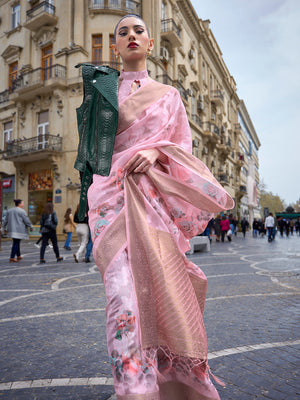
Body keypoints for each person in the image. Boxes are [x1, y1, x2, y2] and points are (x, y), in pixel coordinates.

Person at [78, 14, 234, 400]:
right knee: (122, 296)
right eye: (122, 33)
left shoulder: (169, 96)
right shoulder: (102, 92)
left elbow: (184, 150)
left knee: (158, 290)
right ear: (115, 47)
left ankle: (168, 383)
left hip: (153, 203)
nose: (131, 35)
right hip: (109, 201)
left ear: (150, 45)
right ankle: (134, 387)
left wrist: (154, 149)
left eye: (138, 31)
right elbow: (90, 155)